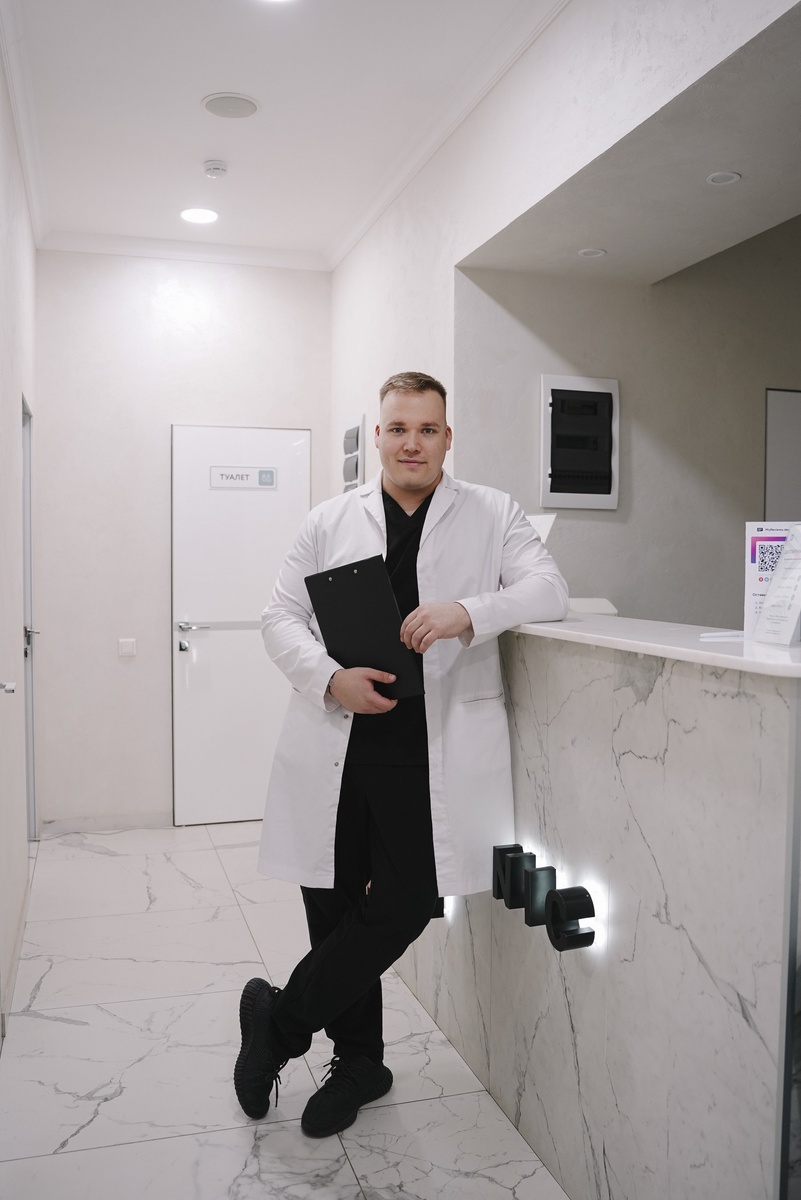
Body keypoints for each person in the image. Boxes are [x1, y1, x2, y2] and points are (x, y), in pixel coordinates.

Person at [234, 370, 568, 1137]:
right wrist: (329, 679)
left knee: (407, 900)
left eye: (425, 429)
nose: (410, 442)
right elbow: (279, 617)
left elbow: (548, 590)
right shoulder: (328, 520)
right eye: (397, 428)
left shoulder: (491, 513)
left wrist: (467, 611)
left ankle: (279, 1023)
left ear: (447, 438)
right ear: (378, 436)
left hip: (431, 747)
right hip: (339, 737)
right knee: (333, 904)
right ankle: (360, 1063)